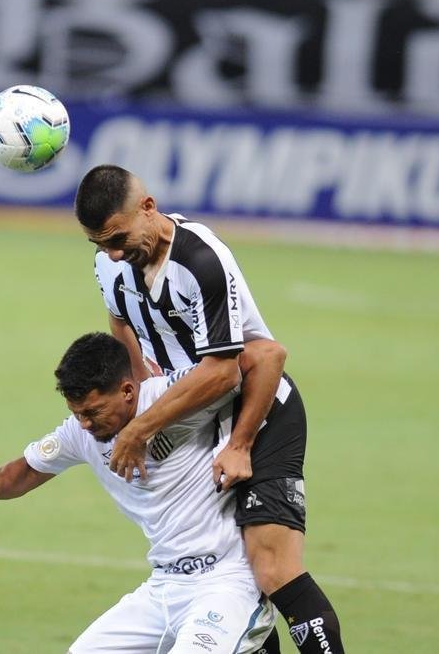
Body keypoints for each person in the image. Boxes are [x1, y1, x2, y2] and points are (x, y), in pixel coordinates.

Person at [74, 165, 344, 653]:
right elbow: (120, 325)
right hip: (192, 416)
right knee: (227, 571)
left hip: (258, 410)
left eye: (117, 238)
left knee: (271, 568)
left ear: (149, 209)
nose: (112, 253)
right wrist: (144, 388)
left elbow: (227, 371)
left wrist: (229, 443)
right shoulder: (109, 265)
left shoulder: (201, 260)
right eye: (99, 244)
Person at [0, 331, 280, 653]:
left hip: (226, 582)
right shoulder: (81, 434)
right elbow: (29, 467)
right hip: (164, 587)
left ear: (127, 392)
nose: (85, 425)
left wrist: (240, 443)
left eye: (92, 411)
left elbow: (266, 356)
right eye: (76, 414)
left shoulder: (174, 398)